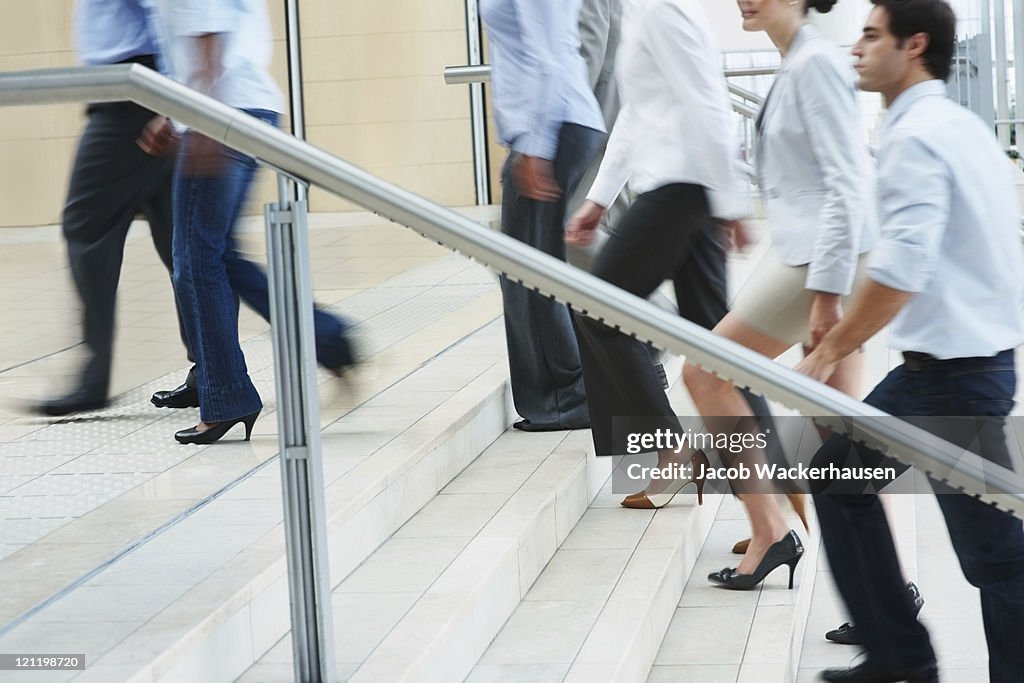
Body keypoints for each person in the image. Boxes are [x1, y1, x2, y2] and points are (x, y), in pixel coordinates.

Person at [798, 1, 1024, 680]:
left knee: (994, 553)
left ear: (914, 44)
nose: (858, 49)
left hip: (955, 374)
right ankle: (898, 654)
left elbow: (902, 270)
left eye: (872, 36)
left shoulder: (914, 135)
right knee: (840, 478)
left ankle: (912, 656)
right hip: (955, 365)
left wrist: (828, 351)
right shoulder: (957, 125)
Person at [566, 0, 801, 589]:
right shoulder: (645, 11)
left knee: (597, 307)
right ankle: (772, 509)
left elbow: (707, 105)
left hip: (680, 192)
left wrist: (730, 206)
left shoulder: (665, 8)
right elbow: (638, 114)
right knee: (724, 350)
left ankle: (670, 449)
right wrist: (599, 195)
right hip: (683, 190)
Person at [683, 0, 877, 565]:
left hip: (818, 263)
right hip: (822, 256)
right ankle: (889, 589)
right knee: (842, 432)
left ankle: (769, 529)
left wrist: (826, 294)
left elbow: (847, 183)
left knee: (704, 370)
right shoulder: (797, 60)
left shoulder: (815, 62)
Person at [146, 0, 355, 444]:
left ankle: (226, 398)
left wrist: (199, 117)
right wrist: (176, 112)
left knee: (196, 260)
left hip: (221, 113)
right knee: (221, 256)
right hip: (241, 106)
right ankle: (330, 339)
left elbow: (207, 27)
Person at [34, 0, 189, 417]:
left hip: (133, 97)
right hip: (135, 93)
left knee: (85, 227)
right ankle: (215, 368)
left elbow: (165, 11)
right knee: (180, 241)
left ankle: (93, 376)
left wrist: (169, 105)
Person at [480, 0, 607, 432]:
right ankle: (565, 394)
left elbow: (547, 54)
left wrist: (535, 145)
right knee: (528, 268)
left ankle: (566, 399)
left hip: (558, 125)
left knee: (530, 273)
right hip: (554, 125)